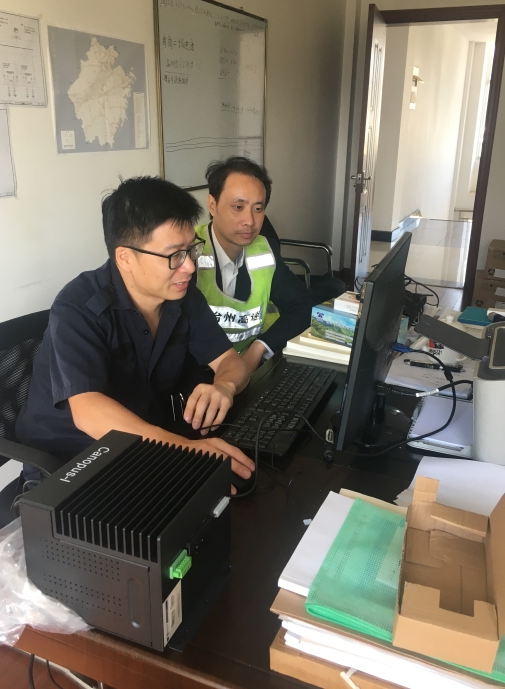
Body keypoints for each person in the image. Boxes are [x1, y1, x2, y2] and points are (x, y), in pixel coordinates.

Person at [16, 176, 255, 489]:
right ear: (125, 258)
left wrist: (224, 386)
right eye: (174, 255)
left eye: (191, 249)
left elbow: (230, 361)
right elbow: (89, 411)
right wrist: (185, 453)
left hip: (142, 443)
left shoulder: (182, 296)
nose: (189, 267)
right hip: (71, 462)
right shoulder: (78, 307)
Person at [195, 156, 313, 375]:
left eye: (258, 208)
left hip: (252, 370)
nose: (249, 220)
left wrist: (258, 349)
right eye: (238, 207)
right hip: (200, 377)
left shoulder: (264, 250)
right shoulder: (187, 254)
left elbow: (303, 307)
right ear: (212, 205)